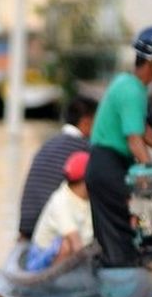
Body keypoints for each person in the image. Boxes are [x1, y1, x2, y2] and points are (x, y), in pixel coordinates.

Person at [86, 26, 152, 268]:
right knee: (123, 228)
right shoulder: (131, 90)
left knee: (124, 228)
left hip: (108, 166)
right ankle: (122, 272)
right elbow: (135, 141)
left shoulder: (131, 85)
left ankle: (130, 264)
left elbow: (142, 130)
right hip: (107, 166)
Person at [17, 96, 96, 240]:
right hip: (53, 225)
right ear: (86, 122)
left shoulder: (48, 144)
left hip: (27, 225)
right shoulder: (84, 149)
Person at [26, 151, 93, 272]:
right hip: (41, 258)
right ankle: (56, 286)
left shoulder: (90, 199)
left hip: (80, 251)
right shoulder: (60, 201)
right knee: (66, 245)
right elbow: (76, 244)